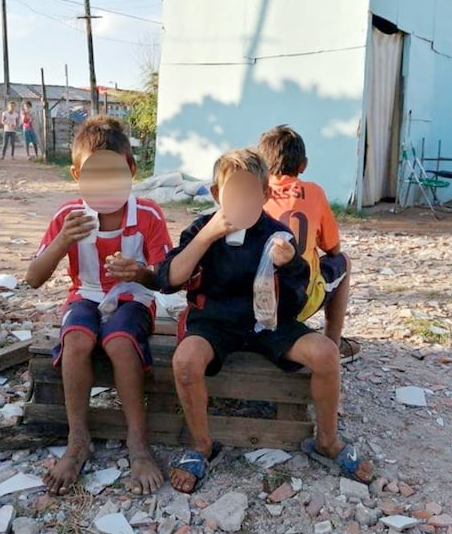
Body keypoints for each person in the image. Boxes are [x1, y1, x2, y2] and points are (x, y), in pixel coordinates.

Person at [156, 148, 374, 494]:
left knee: (326, 353)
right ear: (217, 195)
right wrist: (208, 235)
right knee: (184, 360)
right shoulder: (201, 228)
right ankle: (201, 446)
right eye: (233, 193)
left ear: (265, 195)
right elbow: (170, 279)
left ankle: (327, 440)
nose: (242, 201)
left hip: (269, 323)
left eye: (249, 193)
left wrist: (289, 264)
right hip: (215, 321)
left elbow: (299, 299)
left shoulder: (277, 235)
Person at [26, 115, 172, 496]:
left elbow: (167, 278)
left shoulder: (148, 216)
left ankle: (137, 442)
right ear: (76, 175)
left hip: (132, 298)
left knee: (120, 342)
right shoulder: (68, 217)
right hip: (85, 295)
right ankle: (78, 440)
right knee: (76, 342)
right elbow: (33, 278)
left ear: (132, 170)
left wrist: (140, 272)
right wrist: (61, 243)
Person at [259, 125, 360, 363]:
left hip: (254, 300)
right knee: (343, 261)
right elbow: (333, 249)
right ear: (303, 165)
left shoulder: (254, 192)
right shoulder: (313, 192)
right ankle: (333, 345)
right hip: (299, 300)